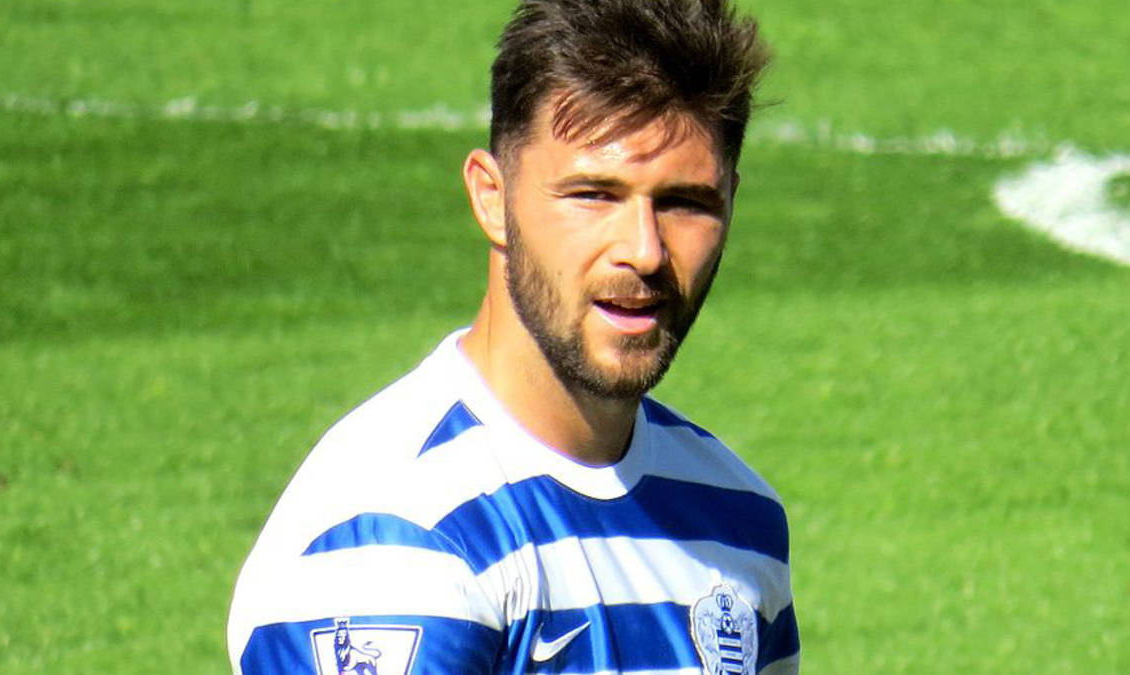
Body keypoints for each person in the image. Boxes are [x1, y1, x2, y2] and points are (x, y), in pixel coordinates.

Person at [227, 0, 799, 673]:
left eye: (684, 203)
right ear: (492, 198)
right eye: (593, 195)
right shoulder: (396, 538)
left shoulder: (737, 520)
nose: (644, 250)